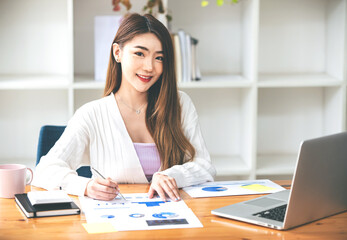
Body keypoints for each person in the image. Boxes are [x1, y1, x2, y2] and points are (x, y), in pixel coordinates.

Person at [33, 13, 216, 202]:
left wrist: (172, 176)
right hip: (115, 223)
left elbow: (204, 165)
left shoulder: (179, 104)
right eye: (139, 53)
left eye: (159, 58)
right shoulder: (92, 114)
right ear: (117, 53)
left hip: (174, 220)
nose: (149, 67)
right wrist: (85, 186)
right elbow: (45, 169)